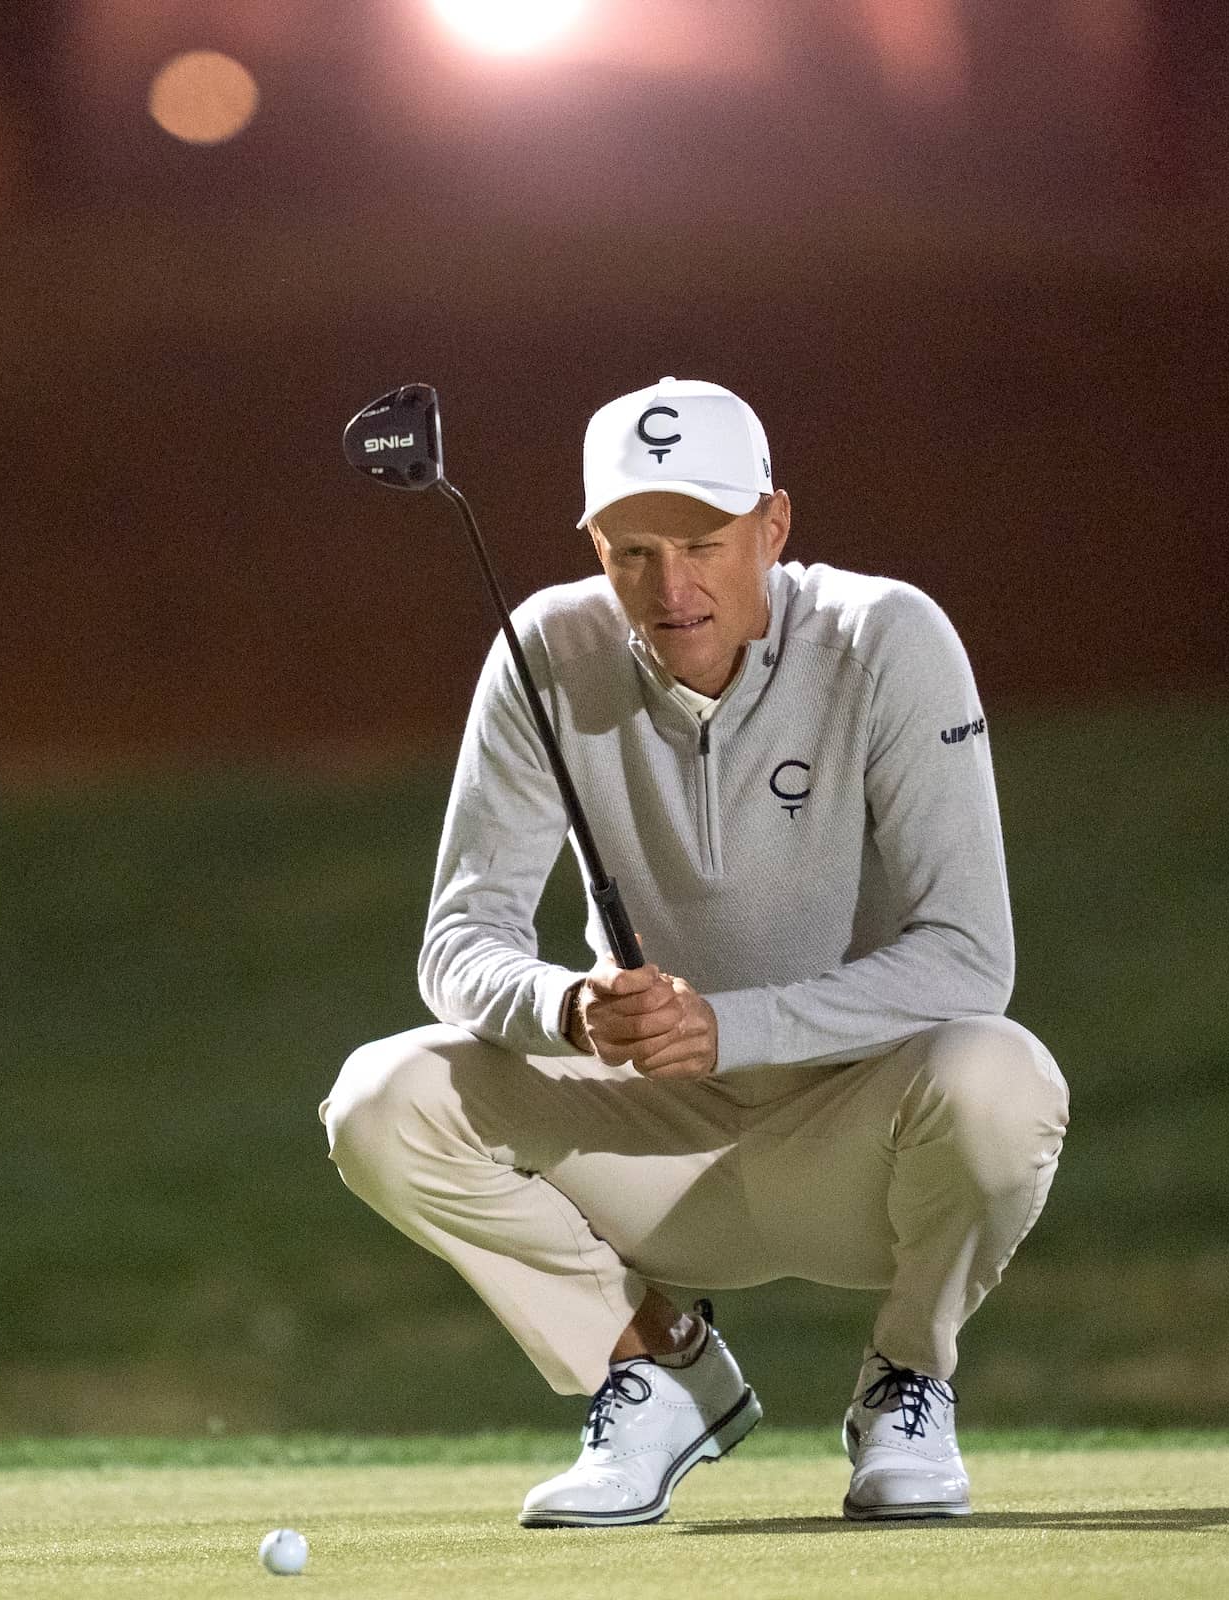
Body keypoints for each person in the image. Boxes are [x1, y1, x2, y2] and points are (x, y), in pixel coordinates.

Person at [321, 377, 1068, 1525]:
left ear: (772, 526)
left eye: (705, 543)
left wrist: (734, 1021)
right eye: (633, 551)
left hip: (856, 1140)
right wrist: (570, 1008)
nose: (671, 588)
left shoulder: (886, 639)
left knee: (1003, 1079)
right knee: (381, 1098)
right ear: (593, 544)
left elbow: (970, 956)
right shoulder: (544, 652)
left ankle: (909, 1377)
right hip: (651, 1139)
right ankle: (657, 1362)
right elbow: (461, 944)